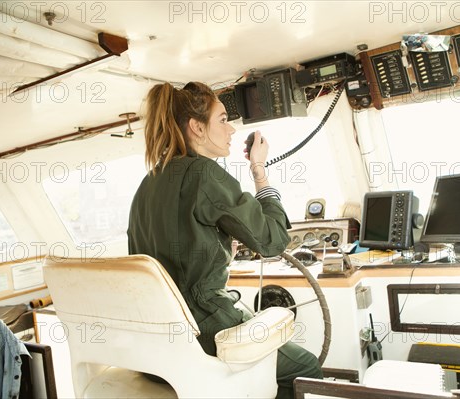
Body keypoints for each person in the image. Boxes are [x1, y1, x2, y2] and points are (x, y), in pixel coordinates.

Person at [127, 81, 323, 398]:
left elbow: (171, 255)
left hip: (160, 346)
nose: (231, 129)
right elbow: (272, 242)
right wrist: (259, 170)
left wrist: (220, 251)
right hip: (206, 329)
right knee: (306, 370)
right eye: (222, 119)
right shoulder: (204, 173)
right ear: (196, 128)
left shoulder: (147, 183)